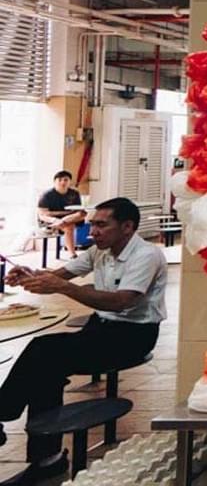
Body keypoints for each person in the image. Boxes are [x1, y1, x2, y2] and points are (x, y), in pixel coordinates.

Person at [0, 198, 166, 484]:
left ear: (127, 227)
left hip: (133, 336)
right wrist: (31, 275)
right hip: (100, 329)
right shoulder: (99, 251)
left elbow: (122, 302)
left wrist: (63, 289)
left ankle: (4, 416)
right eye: (92, 224)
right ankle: (47, 459)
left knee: (44, 350)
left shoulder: (146, 255)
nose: (93, 231)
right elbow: (60, 275)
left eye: (101, 225)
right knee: (46, 368)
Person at [36, 171, 87, 258]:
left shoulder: (74, 193)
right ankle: (72, 254)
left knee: (83, 213)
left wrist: (64, 218)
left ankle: (62, 221)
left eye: (66, 180)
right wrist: (61, 215)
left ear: (69, 182)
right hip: (52, 220)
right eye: (60, 180)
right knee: (69, 226)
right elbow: (43, 214)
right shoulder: (46, 195)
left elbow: (78, 211)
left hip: (71, 218)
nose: (63, 182)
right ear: (54, 181)